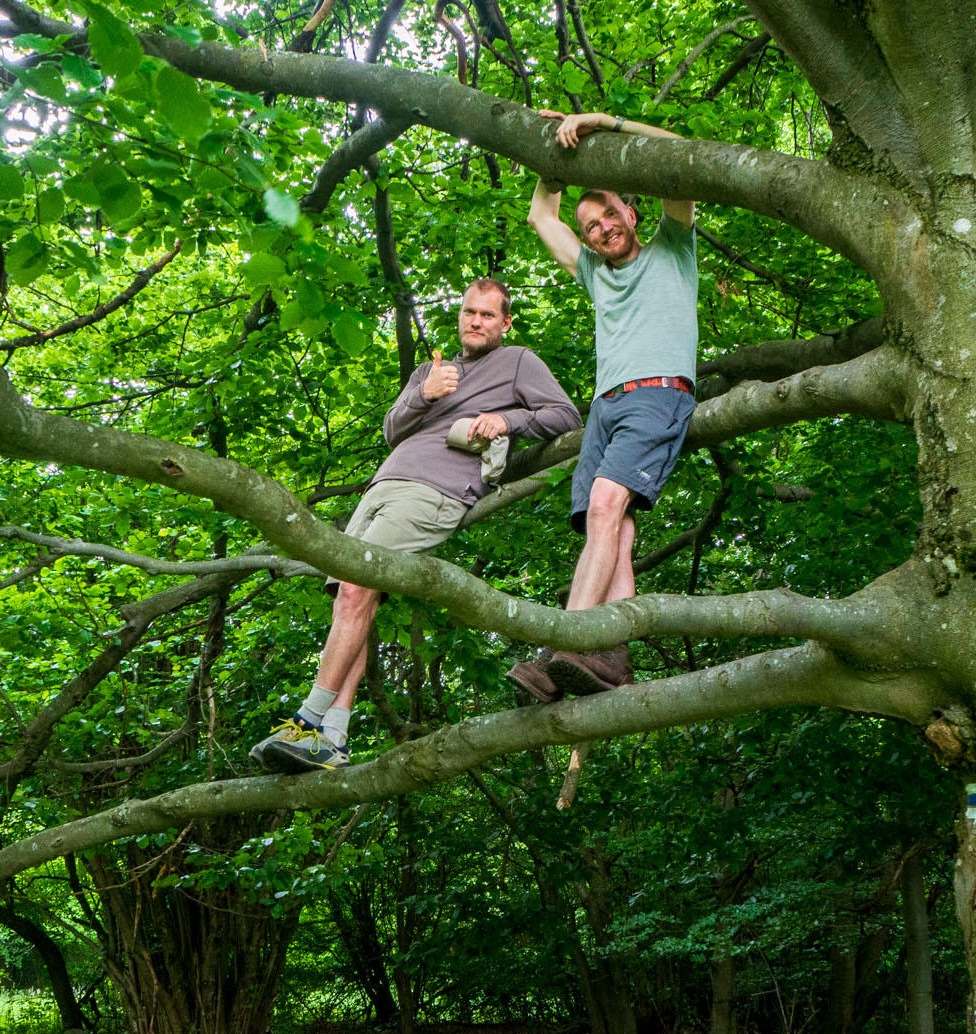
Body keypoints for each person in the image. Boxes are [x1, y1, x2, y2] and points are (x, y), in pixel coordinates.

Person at [251, 278, 582, 773]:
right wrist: (423, 393)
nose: (476, 321)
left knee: (356, 591)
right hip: (381, 489)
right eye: (470, 312)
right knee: (351, 598)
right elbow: (391, 430)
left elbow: (565, 414)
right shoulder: (433, 370)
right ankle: (335, 739)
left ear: (505, 323)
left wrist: (505, 421)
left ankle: (306, 720)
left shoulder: (517, 361)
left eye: (488, 315)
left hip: (434, 491)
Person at [506, 109, 698, 704]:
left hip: (657, 394)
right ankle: (610, 657)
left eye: (610, 214)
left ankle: (565, 646)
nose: (601, 230)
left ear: (631, 213)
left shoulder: (672, 247)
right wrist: (554, 155)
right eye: (590, 225)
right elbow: (542, 214)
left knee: (608, 505)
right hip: (604, 411)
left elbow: (684, 152)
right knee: (610, 525)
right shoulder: (592, 271)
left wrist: (603, 125)